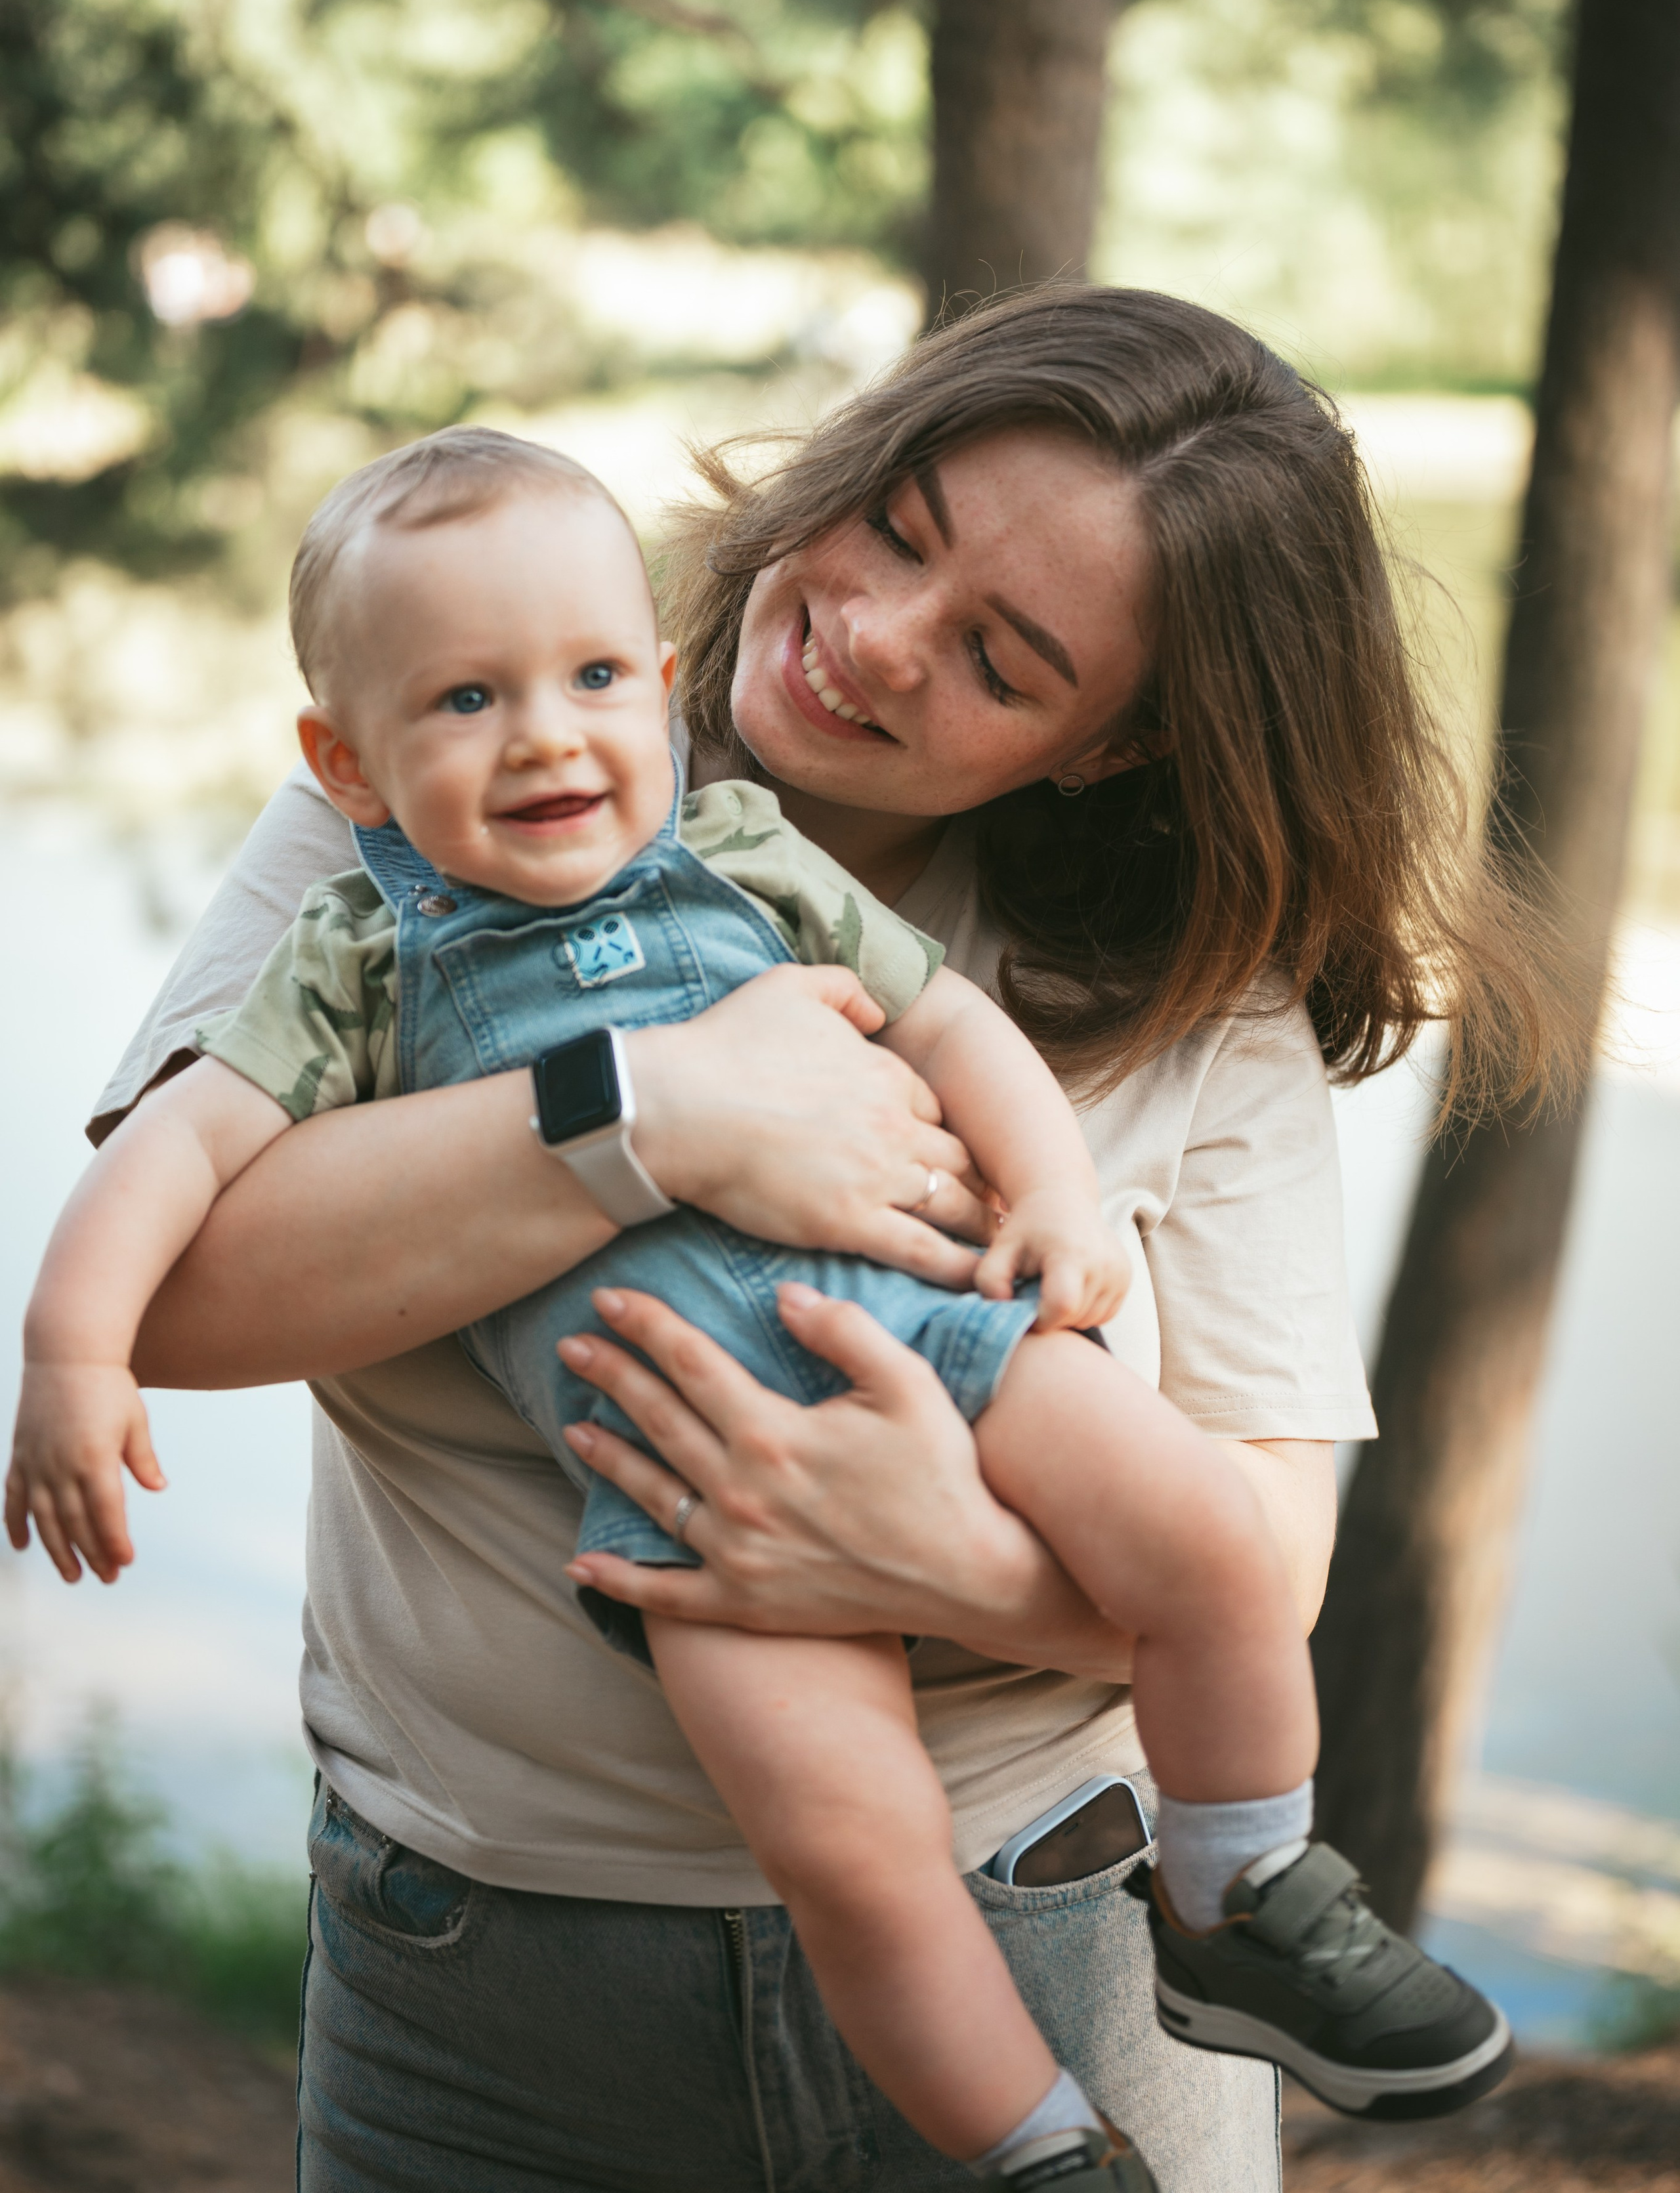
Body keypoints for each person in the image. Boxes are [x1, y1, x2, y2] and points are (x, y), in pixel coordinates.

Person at [52, 289, 1569, 2193]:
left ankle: (1226, 1928)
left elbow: (1266, 1546)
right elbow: (175, 1293)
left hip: (1055, 1924)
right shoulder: (437, 775)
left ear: (1110, 747)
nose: (873, 637)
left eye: (1001, 661)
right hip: (488, 1987)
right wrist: (648, 1113)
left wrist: (944, 1564)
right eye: (897, 530)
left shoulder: (1193, 981)